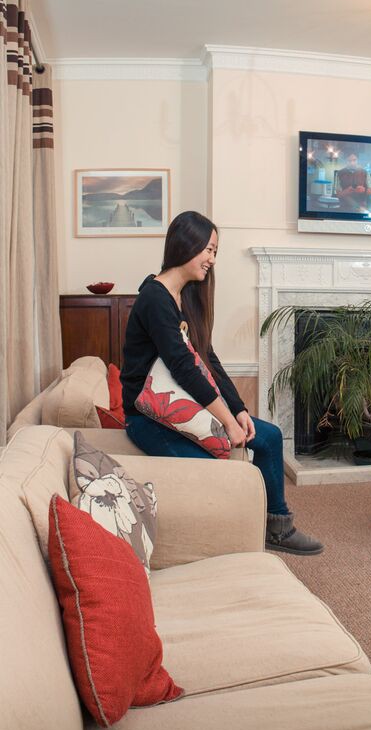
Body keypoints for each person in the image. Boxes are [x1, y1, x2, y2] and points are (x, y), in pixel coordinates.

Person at [120, 211, 323, 555]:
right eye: (208, 250)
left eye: (215, 251)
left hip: (181, 407)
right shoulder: (155, 297)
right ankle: (233, 537)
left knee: (269, 437)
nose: (212, 259)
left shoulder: (185, 296)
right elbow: (184, 369)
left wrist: (239, 409)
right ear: (186, 244)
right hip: (148, 418)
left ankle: (278, 527)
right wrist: (227, 422)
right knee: (222, 469)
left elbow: (208, 360)